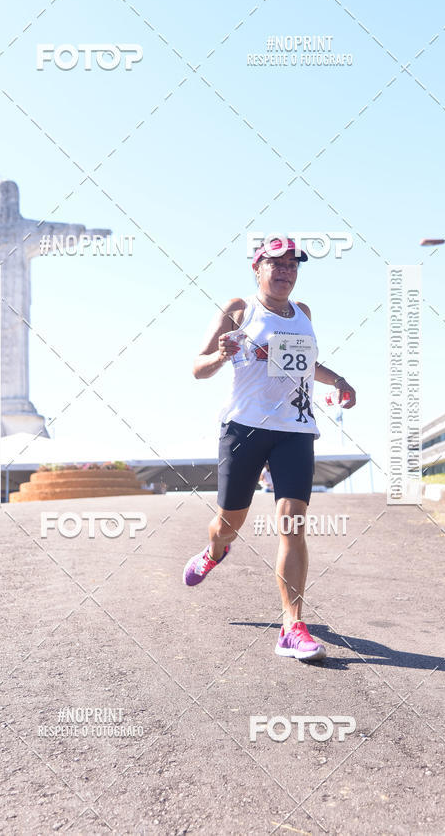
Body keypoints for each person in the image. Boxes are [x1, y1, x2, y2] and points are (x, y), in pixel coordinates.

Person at [182, 238, 356, 662]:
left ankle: (292, 625)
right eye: (275, 264)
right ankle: (214, 551)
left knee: (292, 522)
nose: (285, 271)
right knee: (228, 523)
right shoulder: (240, 309)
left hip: (295, 429)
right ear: (257, 268)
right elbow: (197, 368)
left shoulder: (304, 314)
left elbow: (305, 364)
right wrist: (221, 355)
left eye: (292, 265)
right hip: (243, 428)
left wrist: (339, 382)